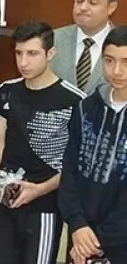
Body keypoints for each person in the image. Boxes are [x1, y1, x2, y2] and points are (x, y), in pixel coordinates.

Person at [0, 21, 85, 264]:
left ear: (50, 53)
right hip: (3, 199)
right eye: (19, 53)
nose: (23, 62)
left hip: (44, 205)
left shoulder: (74, 101)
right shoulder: (7, 90)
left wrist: (40, 189)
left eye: (32, 54)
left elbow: (76, 164)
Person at [59, 26, 127, 264]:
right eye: (109, 60)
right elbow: (70, 168)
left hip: (117, 240)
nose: (116, 71)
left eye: (126, 62)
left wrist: (97, 242)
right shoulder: (86, 108)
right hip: (81, 233)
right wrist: (77, 224)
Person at [52, 0, 118, 94]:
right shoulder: (53, 39)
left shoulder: (123, 44)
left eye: (93, 3)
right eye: (79, 1)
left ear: (111, 8)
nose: (83, 7)